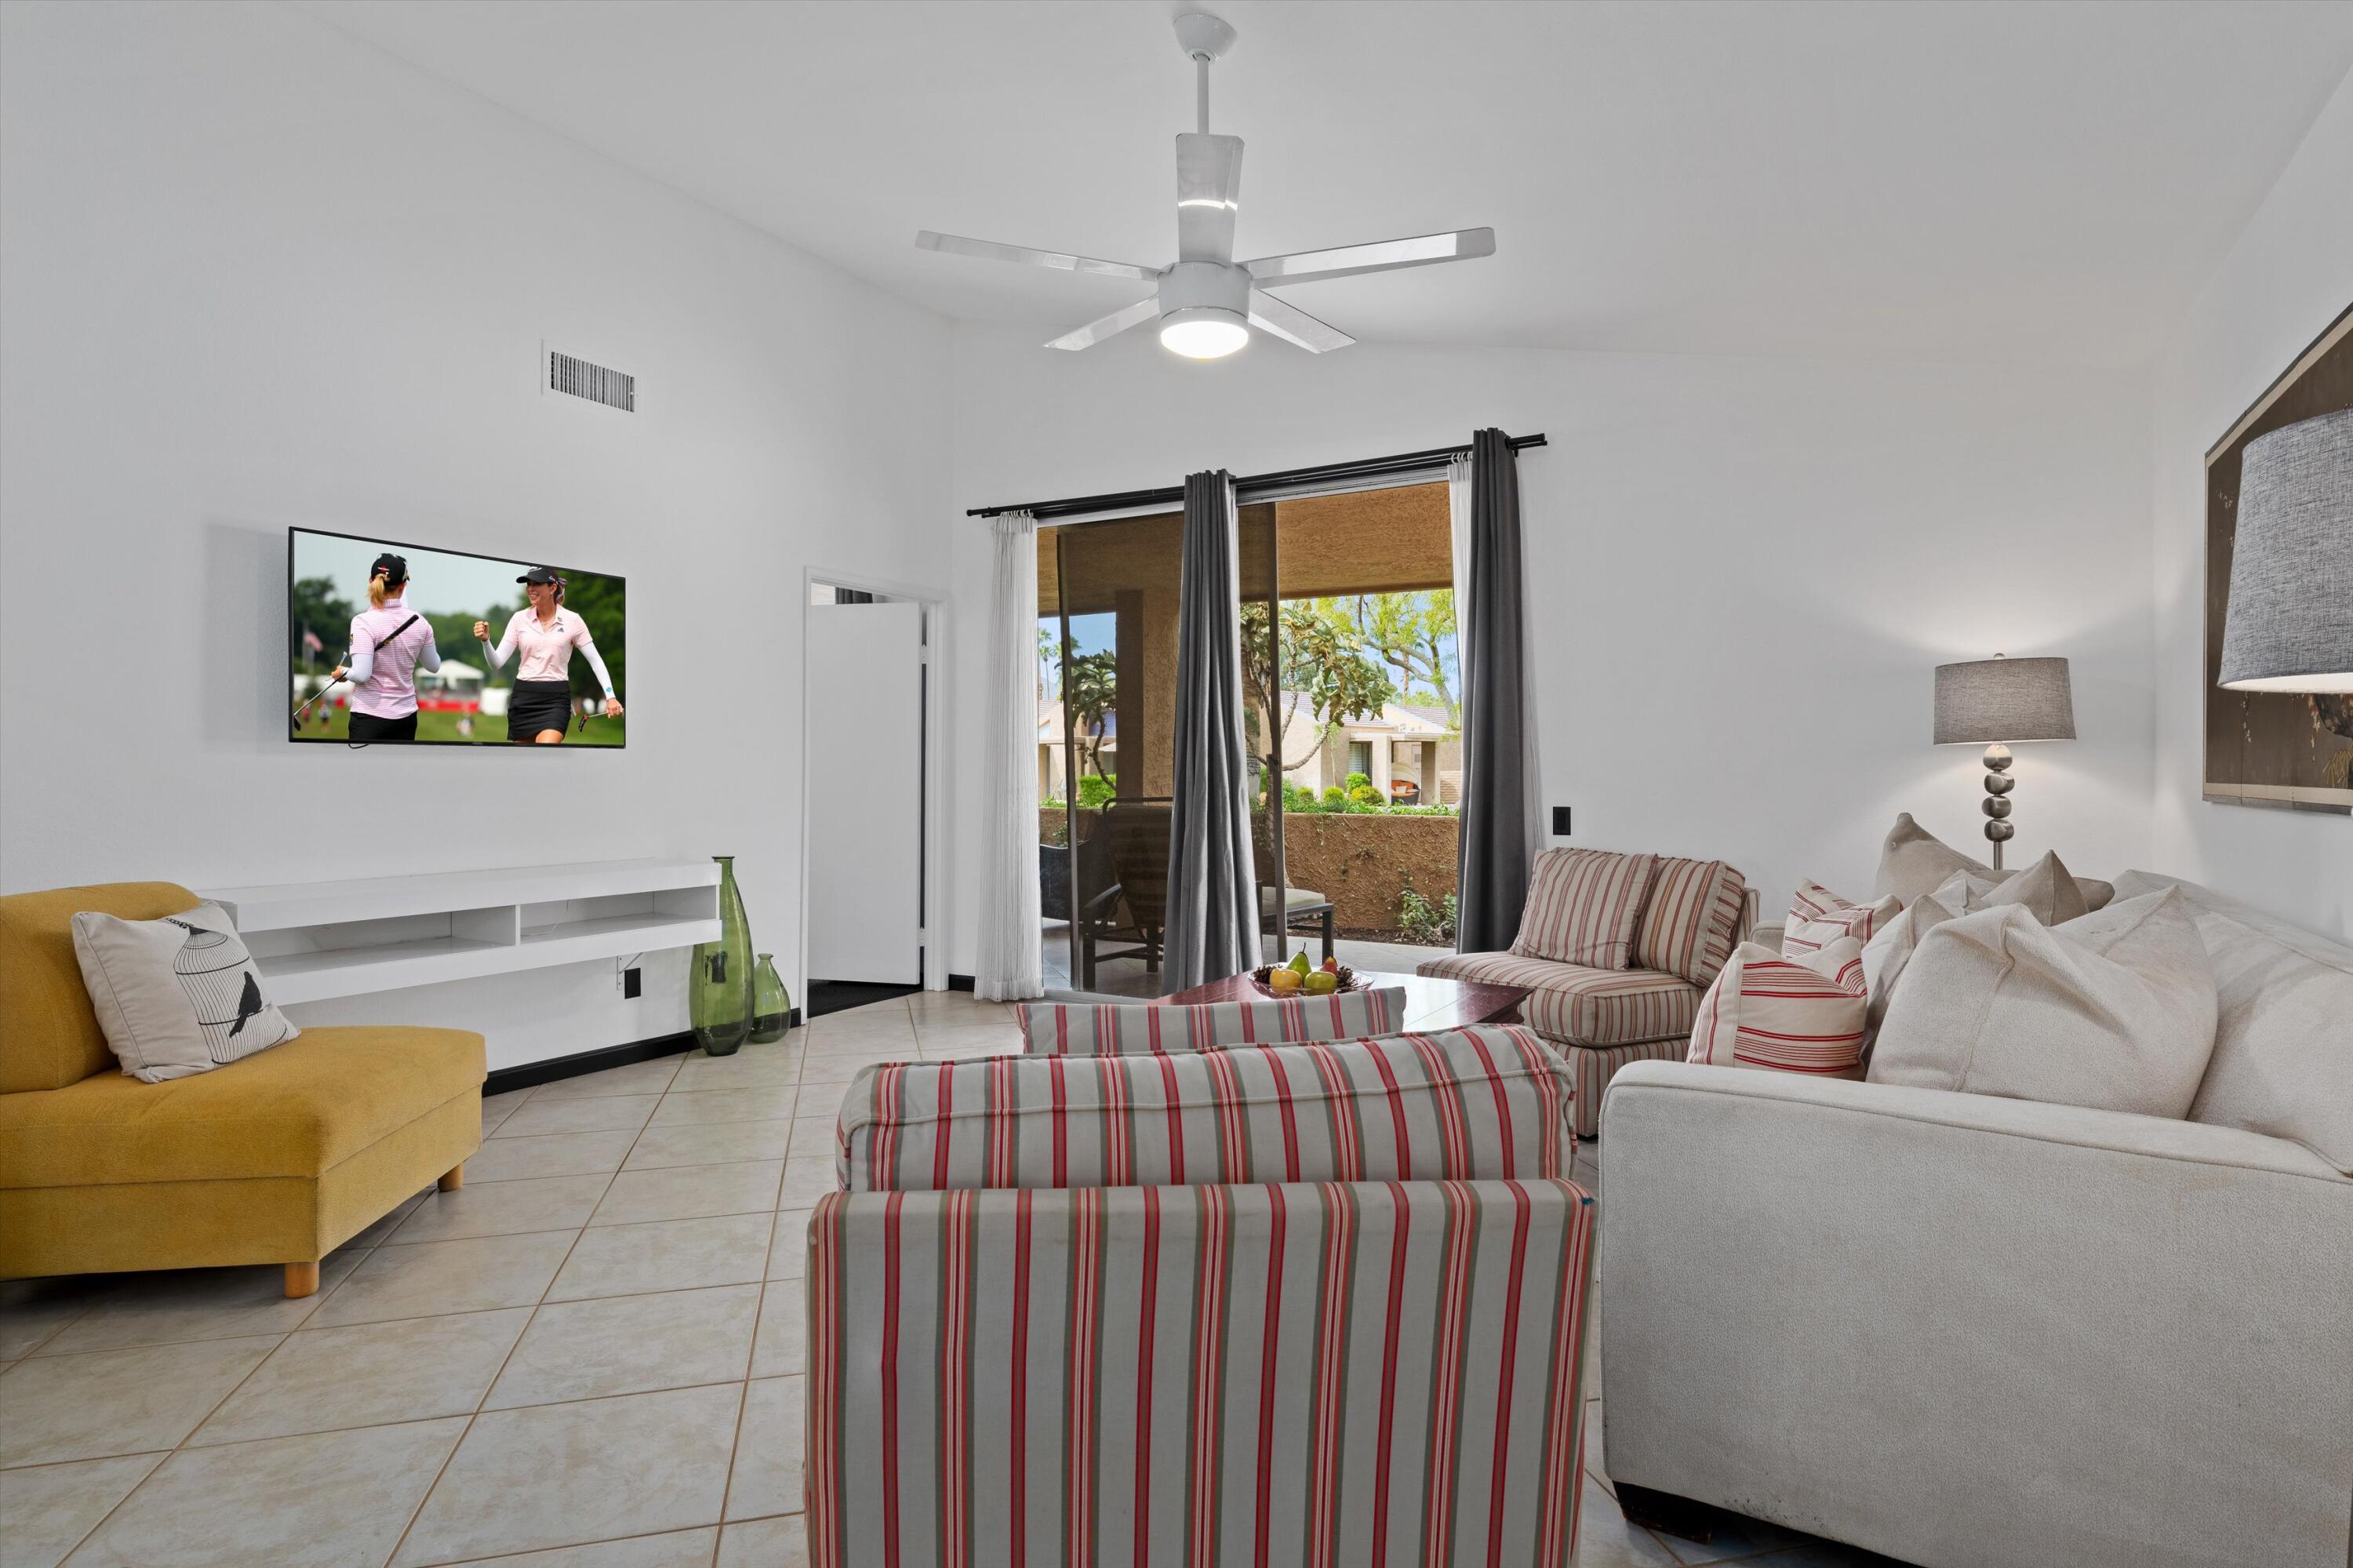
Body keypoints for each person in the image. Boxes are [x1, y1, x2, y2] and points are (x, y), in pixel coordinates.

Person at [475, 566, 623, 744]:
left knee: (546, 752)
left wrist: (610, 696)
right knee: (526, 764)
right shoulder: (518, 619)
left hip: (556, 699)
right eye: (529, 584)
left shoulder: (573, 620)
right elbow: (496, 663)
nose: (531, 588)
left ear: (552, 588)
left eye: (537, 583)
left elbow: (596, 661)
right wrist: (486, 641)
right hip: (524, 698)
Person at [333, 552, 441, 743]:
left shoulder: (362, 622)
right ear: (403, 586)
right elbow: (433, 666)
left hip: (369, 716)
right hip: (406, 717)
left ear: (370, 581)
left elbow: (361, 675)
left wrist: (342, 672)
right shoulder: (421, 622)